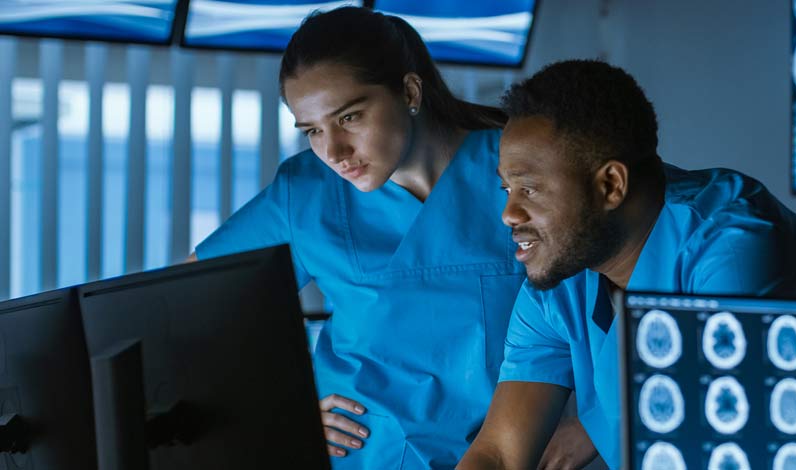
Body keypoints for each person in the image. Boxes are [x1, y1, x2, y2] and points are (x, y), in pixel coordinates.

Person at [189, 7, 586, 468]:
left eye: (350, 118)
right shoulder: (305, 192)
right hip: (362, 454)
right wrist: (279, 408)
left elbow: (625, 277)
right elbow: (186, 310)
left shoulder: (520, 164)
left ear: (409, 91)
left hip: (512, 450)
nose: (333, 152)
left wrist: (594, 427)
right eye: (313, 131)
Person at [458, 60, 796, 468]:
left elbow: (718, 450)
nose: (509, 214)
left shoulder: (732, 255)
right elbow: (498, 456)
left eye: (528, 189)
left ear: (611, 185)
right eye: (507, 188)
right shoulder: (562, 276)